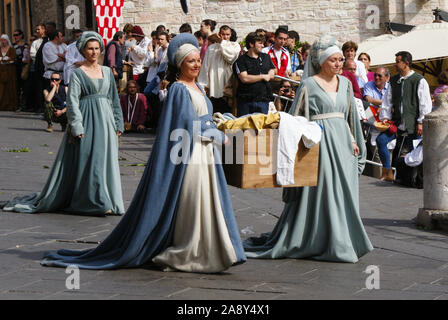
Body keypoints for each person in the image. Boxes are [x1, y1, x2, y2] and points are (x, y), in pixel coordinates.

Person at [40, 33, 246, 273]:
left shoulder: (198, 86)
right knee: (194, 200)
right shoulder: (179, 89)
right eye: (191, 61)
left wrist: (221, 123)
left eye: (197, 61)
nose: (196, 64)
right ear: (180, 64)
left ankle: (209, 247)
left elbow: (203, 117)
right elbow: (184, 126)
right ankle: (191, 249)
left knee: (208, 200)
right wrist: (214, 134)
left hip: (205, 153)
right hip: (191, 154)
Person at [244, 35, 373, 263]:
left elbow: (351, 116)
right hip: (319, 142)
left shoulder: (345, 83)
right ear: (322, 61)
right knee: (322, 190)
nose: (338, 64)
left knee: (342, 189)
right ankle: (319, 237)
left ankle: (343, 237)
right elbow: (295, 117)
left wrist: (354, 139)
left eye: (340, 60)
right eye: (333, 60)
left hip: (342, 142)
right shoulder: (309, 84)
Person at [2, 31, 125, 216]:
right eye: (90, 48)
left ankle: (109, 199)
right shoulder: (77, 74)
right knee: (91, 160)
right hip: (87, 120)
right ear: (83, 50)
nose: (93, 52)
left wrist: (118, 124)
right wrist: (76, 125)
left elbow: (114, 99)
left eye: (97, 48)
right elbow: (73, 102)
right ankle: (96, 201)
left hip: (106, 122)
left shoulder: (107, 72)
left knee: (106, 160)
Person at [376, 51, 432, 182]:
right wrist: (385, 117)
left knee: (414, 154)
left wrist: (421, 122)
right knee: (381, 140)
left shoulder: (419, 80)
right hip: (397, 124)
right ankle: (387, 172)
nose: (395, 64)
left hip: (413, 125)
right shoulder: (394, 80)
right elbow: (387, 101)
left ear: (406, 63)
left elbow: (425, 103)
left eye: (397, 62)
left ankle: (412, 179)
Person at [198, 25, 240, 114]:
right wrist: (203, 85)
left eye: (227, 35)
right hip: (214, 86)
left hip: (228, 87)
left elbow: (231, 57)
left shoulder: (235, 46)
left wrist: (222, 43)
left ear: (230, 35)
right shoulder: (211, 48)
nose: (225, 37)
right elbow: (206, 66)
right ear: (219, 34)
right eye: (223, 34)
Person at [233, 32, 276, 116]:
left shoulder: (266, 57)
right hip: (246, 101)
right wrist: (263, 77)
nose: (263, 46)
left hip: (263, 100)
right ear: (251, 44)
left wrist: (271, 72)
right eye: (260, 43)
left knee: (262, 128)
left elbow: (274, 69)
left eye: (263, 43)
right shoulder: (241, 61)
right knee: (245, 128)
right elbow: (244, 78)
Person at [12, 29, 30, 111]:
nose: (15, 37)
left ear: (21, 35)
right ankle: (18, 105)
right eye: (14, 35)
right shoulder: (13, 46)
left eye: (17, 35)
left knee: (25, 87)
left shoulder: (26, 45)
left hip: (24, 68)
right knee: (17, 87)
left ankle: (25, 105)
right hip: (15, 68)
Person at [0, 34, 18, 111]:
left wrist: (7, 59)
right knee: (1, 88)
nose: (3, 42)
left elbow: (13, 59)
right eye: (2, 40)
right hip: (1, 71)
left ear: (7, 40)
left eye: (4, 40)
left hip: (10, 71)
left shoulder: (11, 49)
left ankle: (11, 105)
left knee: (10, 88)